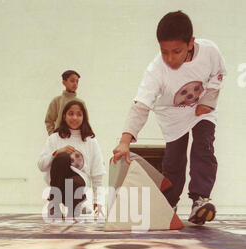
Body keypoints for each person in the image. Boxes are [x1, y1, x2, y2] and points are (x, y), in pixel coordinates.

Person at [113, 11, 226, 226]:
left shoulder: (210, 52)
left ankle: (200, 200)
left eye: (177, 51)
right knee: (174, 160)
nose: (171, 59)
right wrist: (124, 141)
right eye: (164, 52)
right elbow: (141, 105)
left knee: (203, 146)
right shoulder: (156, 70)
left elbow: (217, 76)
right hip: (172, 115)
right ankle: (169, 203)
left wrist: (208, 101)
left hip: (202, 109)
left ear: (191, 43)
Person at [38, 100, 106, 219]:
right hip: (57, 184)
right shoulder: (54, 138)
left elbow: (97, 174)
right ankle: (54, 203)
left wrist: (98, 202)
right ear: (64, 116)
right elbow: (41, 165)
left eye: (79, 114)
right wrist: (56, 153)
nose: (74, 117)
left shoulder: (91, 141)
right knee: (63, 157)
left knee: (75, 183)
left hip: (77, 187)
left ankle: (78, 204)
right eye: (70, 113)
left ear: (84, 117)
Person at [45, 70, 88, 136]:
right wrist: (53, 135)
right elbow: (49, 120)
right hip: (60, 137)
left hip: (77, 137)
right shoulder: (57, 101)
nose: (75, 84)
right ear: (64, 82)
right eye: (72, 81)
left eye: (77, 81)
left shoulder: (81, 103)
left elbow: (85, 121)